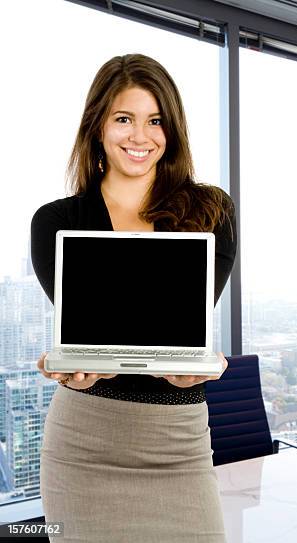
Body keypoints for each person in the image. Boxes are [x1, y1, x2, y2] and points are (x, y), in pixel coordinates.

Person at [31, 53, 236, 542]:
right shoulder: (57, 221)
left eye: (155, 121)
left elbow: (181, 331)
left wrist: (205, 364)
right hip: (84, 444)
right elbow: (95, 332)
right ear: (98, 126)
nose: (140, 137)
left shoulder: (210, 210)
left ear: (172, 130)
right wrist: (76, 363)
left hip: (178, 443)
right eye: (124, 119)